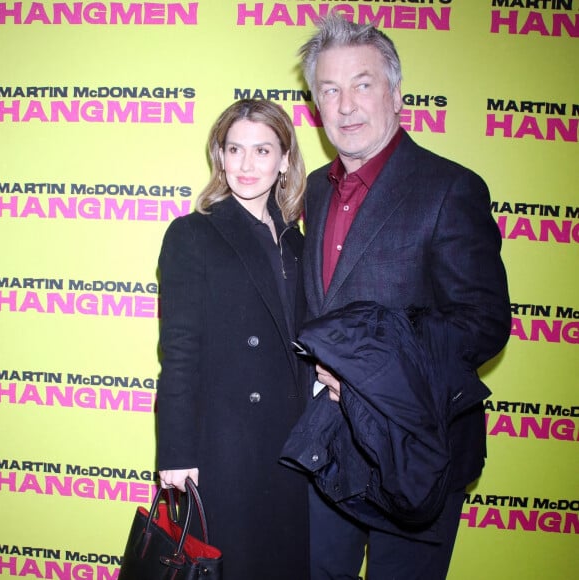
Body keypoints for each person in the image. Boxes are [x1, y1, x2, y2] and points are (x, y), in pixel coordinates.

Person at [297, 16, 511, 580]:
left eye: (362, 84)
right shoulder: (315, 190)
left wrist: (373, 371)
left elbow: (484, 323)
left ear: (396, 93)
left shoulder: (450, 187)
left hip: (419, 448)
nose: (346, 106)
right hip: (329, 445)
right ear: (316, 105)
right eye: (329, 90)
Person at [156, 99, 309, 580]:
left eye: (262, 150)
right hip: (226, 445)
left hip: (293, 444)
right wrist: (177, 454)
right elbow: (179, 351)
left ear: (284, 160)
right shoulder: (193, 235)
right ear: (219, 156)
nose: (247, 164)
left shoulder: (298, 242)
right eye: (235, 149)